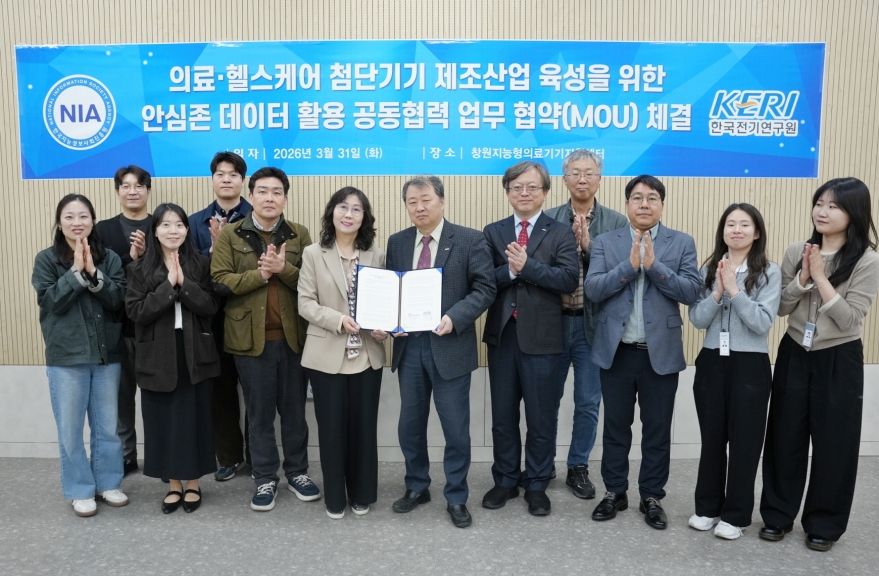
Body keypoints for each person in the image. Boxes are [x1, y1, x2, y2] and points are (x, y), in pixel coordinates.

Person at [760, 178, 879, 552]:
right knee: (784, 437)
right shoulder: (798, 250)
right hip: (795, 351)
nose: (822, 212)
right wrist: (801, 277)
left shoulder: (867, 260)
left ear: (854, 213)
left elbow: (850, 319)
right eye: (819, 203)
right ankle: (777, 515)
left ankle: (824, 524)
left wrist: (822, 278)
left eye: (833, 206)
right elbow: (781, 308)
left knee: (835, 443)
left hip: (839, 357)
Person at [584, 174, 701, 530]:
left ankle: (651, 496)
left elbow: (691, 292)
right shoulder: (606, 242)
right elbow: (593, 289)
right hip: (616, 351)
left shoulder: (681, 242)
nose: (644, 204)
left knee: (657, 430)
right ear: (627, 204)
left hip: (659, 353)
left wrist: (653, 267)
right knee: (615, 427)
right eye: (637, 198)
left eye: (652, 198)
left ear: (662, 204)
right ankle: (614, 491)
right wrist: (629, 266)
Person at [386, 175, 495, 528]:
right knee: (410, 426)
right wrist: (388, 320)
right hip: (409, 348)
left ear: (442, 201)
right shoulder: (398, 242)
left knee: (456, 430)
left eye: (426, 200)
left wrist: (455, 317)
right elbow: (390, 290)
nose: (419, 207)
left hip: (450, 346)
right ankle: (417, 486)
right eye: (412, 201)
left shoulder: (469, 239)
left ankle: (456, 496)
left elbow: (485, 288)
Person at [211, 166, 320, 511]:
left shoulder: (299, 234)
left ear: (285, 198)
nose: (269, 198)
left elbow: (314, 283)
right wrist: (259, 275)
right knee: (258, 415)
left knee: (294, 414)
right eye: (262, 191)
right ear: (251, 196)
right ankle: (265, 478)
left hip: (293, 339)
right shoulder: (231, 234)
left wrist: (282, 270)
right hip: (249, 340)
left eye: (276, 192)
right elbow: (219, 280)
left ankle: (298, 472)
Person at [482, 161, 579, 516]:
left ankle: (537, 483)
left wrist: (528, 267)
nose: (524, 193)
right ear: (508, 192)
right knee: (503, 416)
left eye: (532, 187)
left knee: (541, 417)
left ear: (545, 192)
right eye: (516, 187)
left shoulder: (560, 232)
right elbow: (484, 280)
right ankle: (506, 479)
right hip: (503, 336)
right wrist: (510, 271)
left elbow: (568, 279)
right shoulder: (493, 231)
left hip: (543, 338)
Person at [687, 204, 781, 539]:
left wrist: (735, 291)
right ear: (722, 231)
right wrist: (717, 290)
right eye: (730, 224)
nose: (736, 230)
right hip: (712, 361)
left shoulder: (769, 272)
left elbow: (762, 323)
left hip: (750, 365)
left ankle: (736, 516)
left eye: (744, 224)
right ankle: (707, 508)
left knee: (745, 443)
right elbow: (697, 319)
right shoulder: (709, 268)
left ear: (757, 233)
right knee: (712, 440)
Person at [32, 194, 129, 517]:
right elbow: (51, 303)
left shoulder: (109, 258)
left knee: (107, 427)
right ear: (60, 224)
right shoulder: (46, 260)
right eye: (70, 217)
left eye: (84, 216)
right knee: (70, 429)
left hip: (106, 353)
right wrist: (76, 272)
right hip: (66, 356)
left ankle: (108, 483)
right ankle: (79, 489)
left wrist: (94, 274)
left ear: (93, 221)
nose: (77, 222)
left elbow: (118, 300)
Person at [298, 187, 388, 519]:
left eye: (356, 209)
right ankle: (335, 497)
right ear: (332, 212)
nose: (348, 214)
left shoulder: (376, 255)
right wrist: (338, 320)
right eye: (342, 207)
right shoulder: (313, 253)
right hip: (326, 355)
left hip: (367, 355)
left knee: (364, 430)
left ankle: (362, 494)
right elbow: (305, 303)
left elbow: (385, 302)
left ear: (365, 217)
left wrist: (384, 326)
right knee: (332, 431)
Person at [126, 204, 221, 514]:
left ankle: (193, 483)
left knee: (195, 419)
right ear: (155, 231)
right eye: (165, 225)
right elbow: (136, 312)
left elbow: (211, 306)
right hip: (157, 354)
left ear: (187, 230)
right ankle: (173, 485)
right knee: (164, 421)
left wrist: (185, 284)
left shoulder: (201, 264)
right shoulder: (139, 269)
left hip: (195, 351)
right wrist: (168, 285)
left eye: (179, 224)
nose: (173, 230)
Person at [545, 149, 627, 500]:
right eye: (575, 173)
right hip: (553, 322)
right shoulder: (548, 218)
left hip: (593, 325)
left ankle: (578, 465)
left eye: (589, 173)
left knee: (588, 401)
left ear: (599, 179)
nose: (582, 179)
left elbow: (621, 273)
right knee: (546, 399)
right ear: (564, 180)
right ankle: (542, 463)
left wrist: (588, 247)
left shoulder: (617, 223)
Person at [189, 151, 253, 481]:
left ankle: (258, 457)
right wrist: (212, 252)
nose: (226, 179)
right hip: (211, 321)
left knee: (256, 392)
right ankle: (228, 457)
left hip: (250, 317)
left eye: (233, 174)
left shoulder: (258, 218)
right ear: (212, 179)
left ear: (243, 181)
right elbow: (187, 269)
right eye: (220, 174)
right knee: (221, 392)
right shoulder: (194, 222)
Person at [96, 165, 153, 476]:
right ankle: (127, 455)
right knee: (121, 398)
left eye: (139, 185)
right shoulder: (103, 230)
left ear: (148, 190)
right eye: (126, 186)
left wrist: (144, 258)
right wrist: (130, 258)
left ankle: (159, 457)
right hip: (117, 327)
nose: (133, 191)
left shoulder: (161, 225)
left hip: (155, 327)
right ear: (117, 192)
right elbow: (97, 276)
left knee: (158, 396)